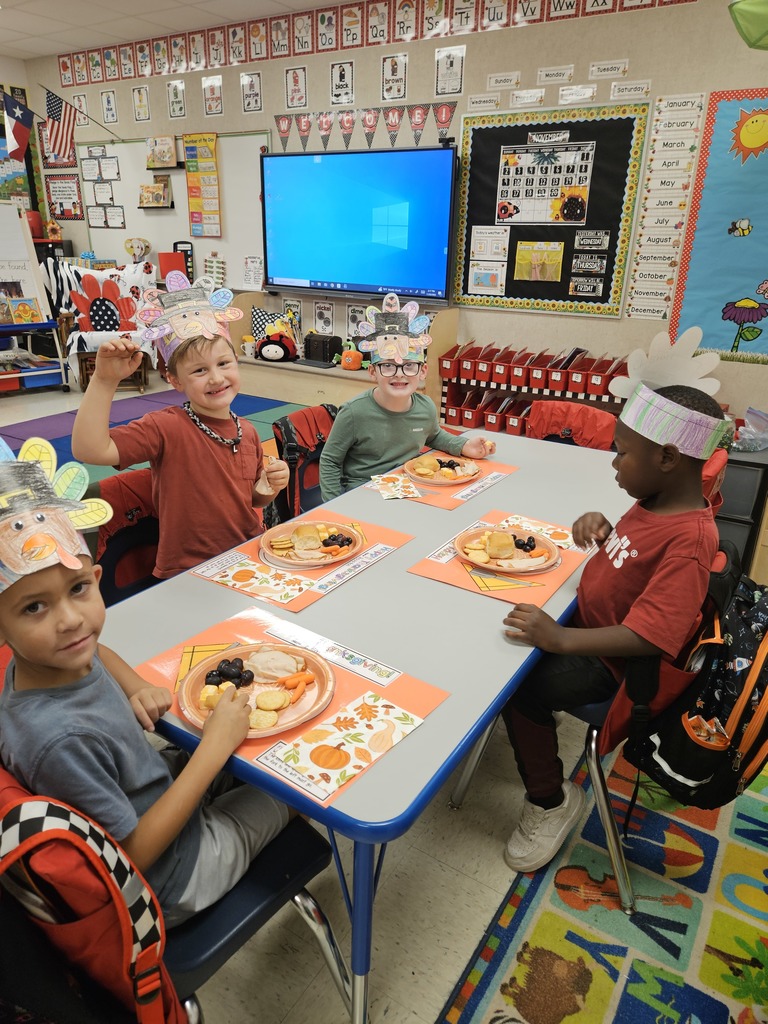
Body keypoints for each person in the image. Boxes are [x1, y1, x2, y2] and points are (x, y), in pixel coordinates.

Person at [0, 453, 290, 925]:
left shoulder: (43, 658)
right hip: (176, 873)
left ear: (96, 581)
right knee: (290, 791)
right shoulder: (59, 741)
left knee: (261, 739)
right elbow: (132, 855)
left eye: (77, 590)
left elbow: (97, 651)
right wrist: (212, 751)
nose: (71, 620)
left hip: (154, 782)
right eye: (34, 607)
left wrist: (134, 686)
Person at [499, 383, 731, 873]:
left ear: (667, 457)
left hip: (617, 667)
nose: (613, 463)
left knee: (516, 688)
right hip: (592, 628)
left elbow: (650, 635)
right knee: (507, 644)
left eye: (621, 453)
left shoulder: (690, 538)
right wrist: (605, 531)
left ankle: (549, 802)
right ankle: (539, 731)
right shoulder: (655, 500)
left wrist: (560, 639)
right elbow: (634, 563)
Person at [72, 329, 290, 579]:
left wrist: (269, 485)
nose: (216, 378)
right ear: (175, 380)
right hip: (189, 570)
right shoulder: (167, 427)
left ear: (236, 364)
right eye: (200, 370)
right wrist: (104, 380)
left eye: (223, 363)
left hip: (248, 554)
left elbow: (252, 499)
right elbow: (90, 449)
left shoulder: (249, 431)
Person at [319, 293, 495, 500]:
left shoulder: (425, 406)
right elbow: (330, 461)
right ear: (373, 372)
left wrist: (464, 446)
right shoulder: (353, 413)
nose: (399, 373)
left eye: (409, 366)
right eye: (388, 366)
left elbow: (433, 435)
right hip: (364, 490)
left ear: (423, 371)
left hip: (408, 485)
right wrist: (332, 506)